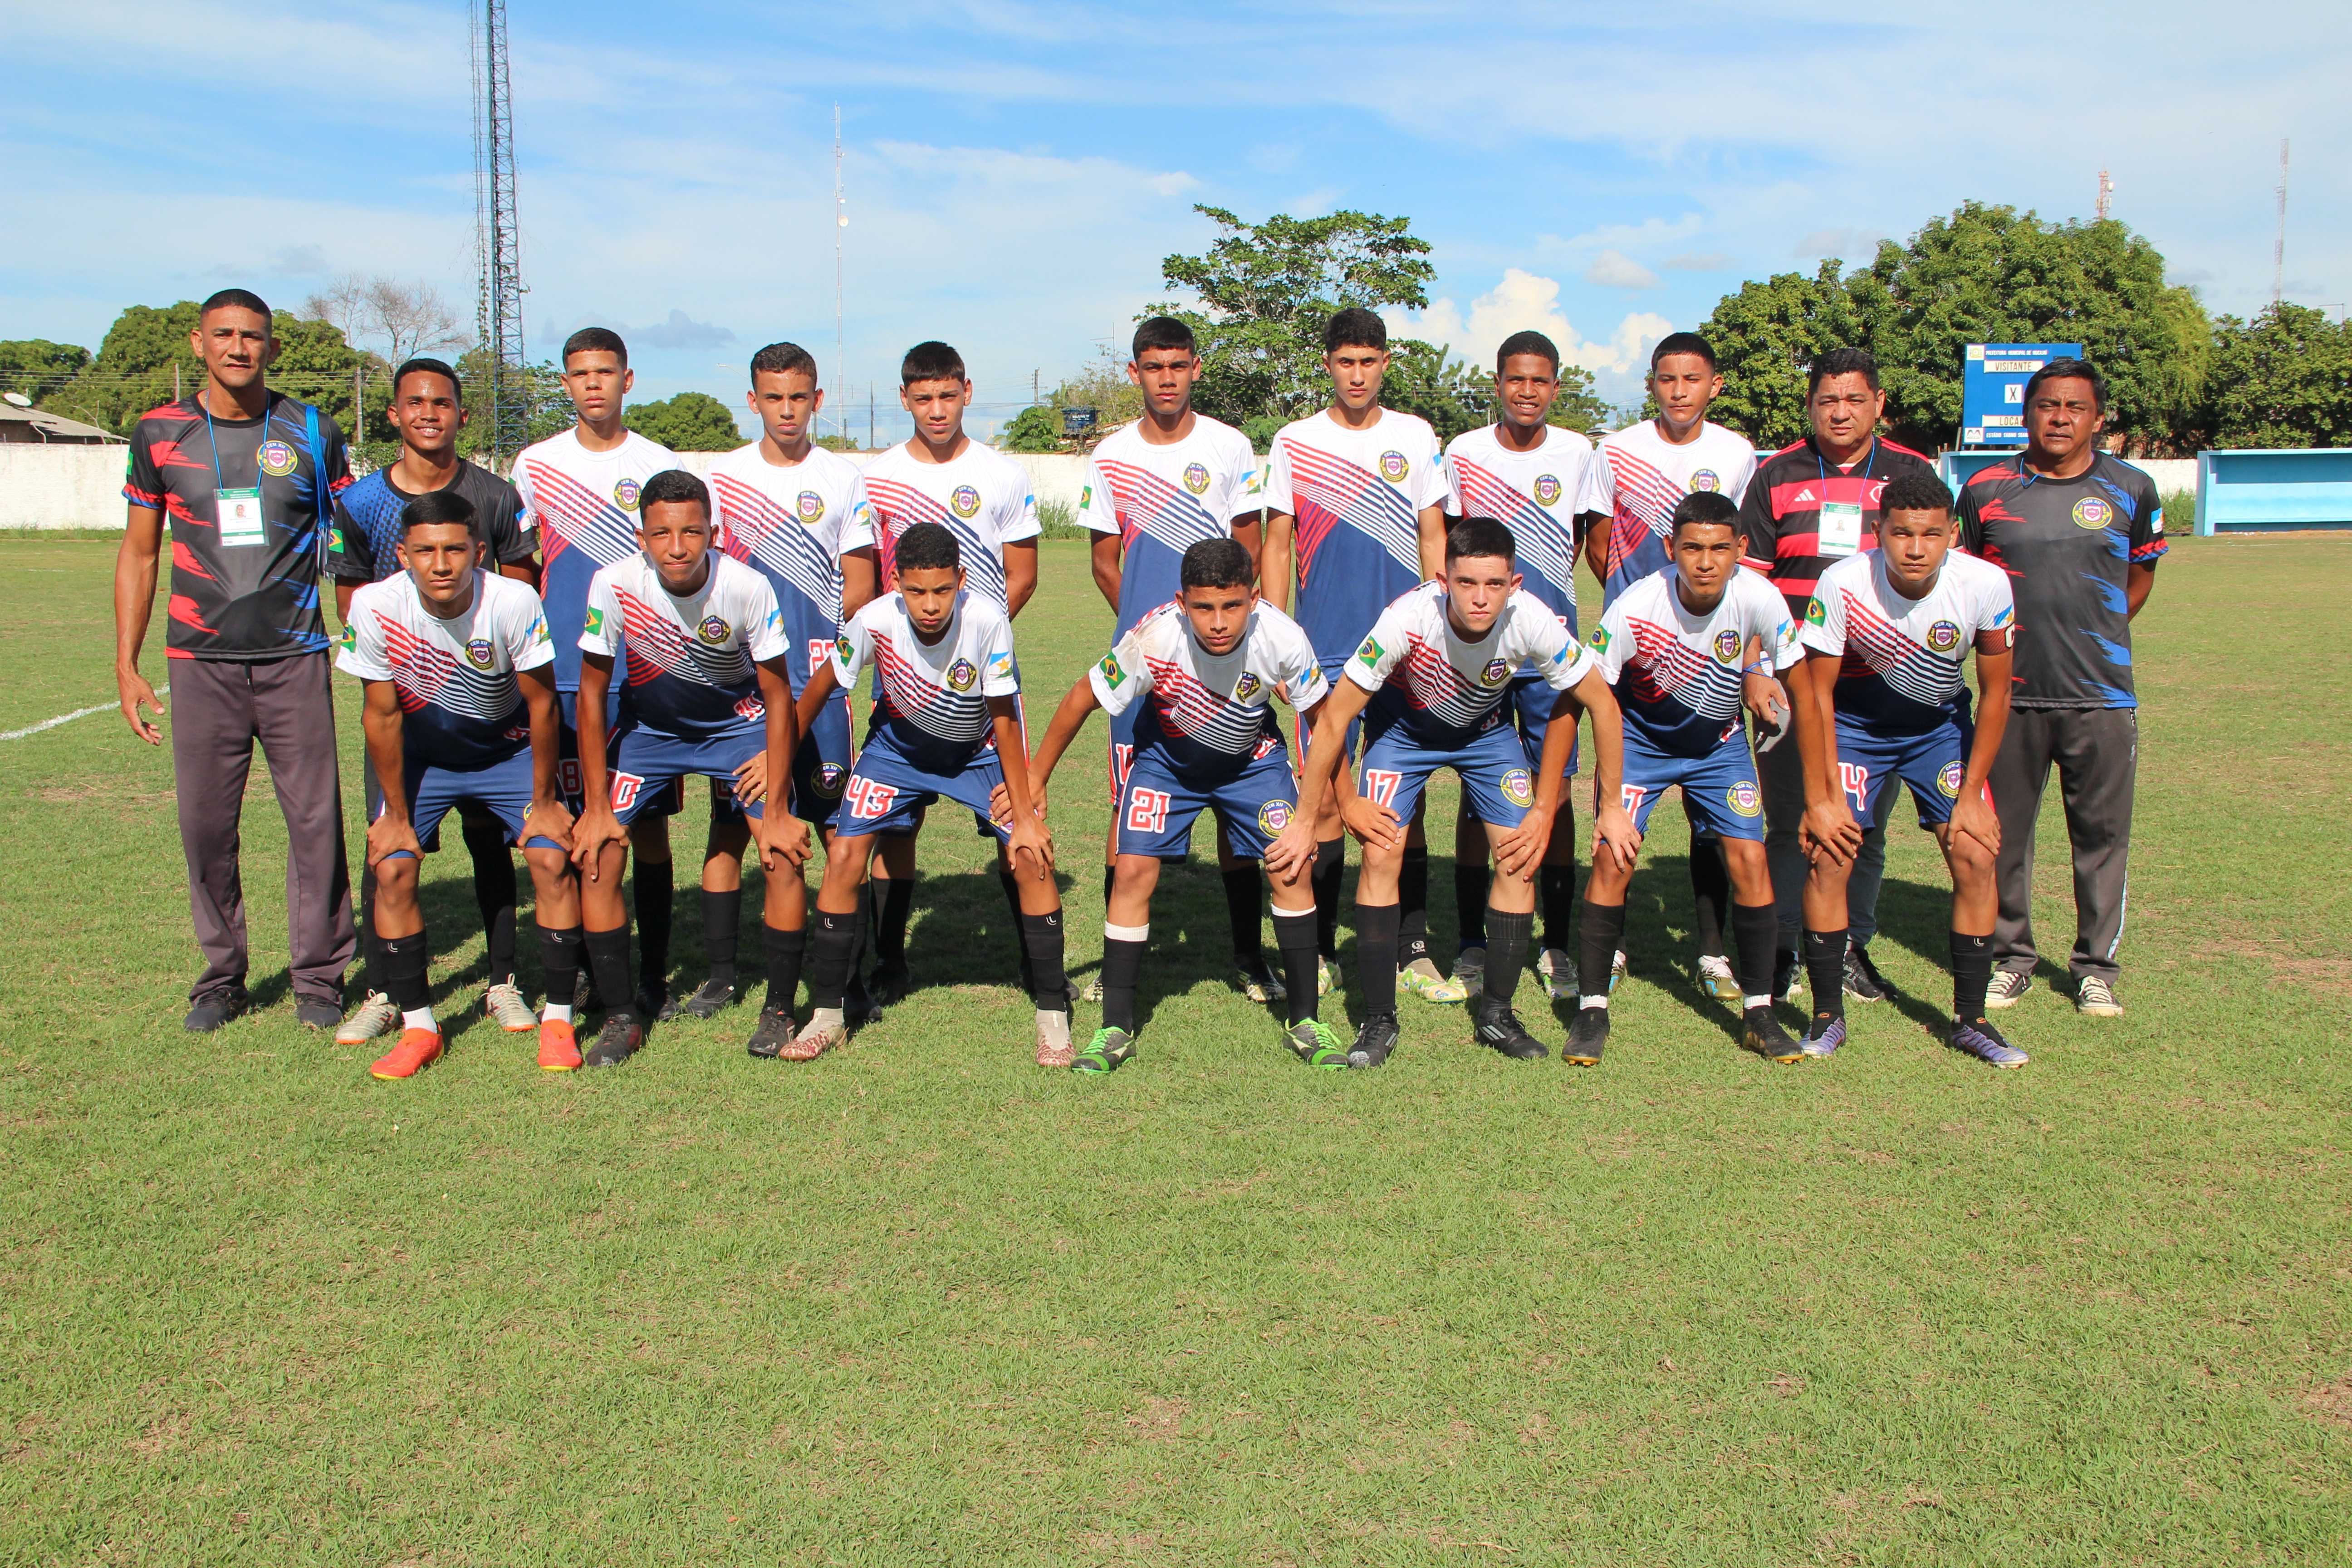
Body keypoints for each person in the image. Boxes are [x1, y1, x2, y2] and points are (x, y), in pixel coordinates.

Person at [1279, 518, 1631, 1068]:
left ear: (1514, 585)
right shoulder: (1406, 619)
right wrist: (1326, 811)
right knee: (1380, 853)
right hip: (1405, 737)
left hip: (1487, 737)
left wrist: (1593, 808)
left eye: (1494, 584)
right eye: (1466, 583)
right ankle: (1379, 1019)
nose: (1480, 598)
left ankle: (1497, 1015)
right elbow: (1334, 718)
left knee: (1518, 859)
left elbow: (1603, 705)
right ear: (1444, 581)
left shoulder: (1532, 619)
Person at [113, 287, 358, 1031]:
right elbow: (139, 552)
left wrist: (361, 635)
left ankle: (319, 980)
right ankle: (221, 979)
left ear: (272, 348)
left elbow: (346, 541)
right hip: (200, 661)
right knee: (205, 828)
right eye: (223, 334)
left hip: (294, 656)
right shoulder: (159, 433)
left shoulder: (312, 430)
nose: (238, 347)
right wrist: (126, 664)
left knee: (315, 823)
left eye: (252, 336)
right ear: (199, 342)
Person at [1027, 538, 1347, 1072]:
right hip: (1167, 766)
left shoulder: (1282, 636)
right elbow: (1083, 696)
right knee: (1132, 871)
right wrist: (1036, 777)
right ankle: (1115, 1028)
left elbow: (1328, 721)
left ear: (1254, 598)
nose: (1218, 622)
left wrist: (1344, 802)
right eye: (1204, 608)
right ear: (1182, 603)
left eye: (1232, 606)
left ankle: (1306, 1022)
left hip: (1251, 764)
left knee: (1291, 869)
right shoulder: (1154, 638)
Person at [789, 522, 1068, 1065]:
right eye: (917, 592)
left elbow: (1005, 716)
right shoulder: (874, 620)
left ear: (962, 580)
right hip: (895, 754)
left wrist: (1026, 813)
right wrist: (776, 766)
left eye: (942, 590)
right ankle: (826, 1016)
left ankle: (1053, 1019)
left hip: (976, 754)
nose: (931, 605)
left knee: (1031, 856)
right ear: (896, 584)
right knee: (843, 856)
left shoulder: (987, 620)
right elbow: (819, 688)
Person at [326, 355, 543, 1046]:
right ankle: (386, 992)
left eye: (442, 403)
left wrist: (477, 670)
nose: (428, 414)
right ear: (394, 414)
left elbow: (519, 586)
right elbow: (352, 599)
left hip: (489, 706)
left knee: (492, 846)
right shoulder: (360, 501)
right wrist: (412, 661)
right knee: (388, 847)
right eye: (415, 403)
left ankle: (503, 982)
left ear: (460, 414)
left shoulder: (496, 494)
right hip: (407, 706)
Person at [335, 491, 580, 1077]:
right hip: (425, 759)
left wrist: (545, 802)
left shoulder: (514, 600)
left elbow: (543, 705)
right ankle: (420, 1027)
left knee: (550, 858)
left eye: (454, 550)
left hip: (507, 751)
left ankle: (560, 1021)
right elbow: (382, 716)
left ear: (478, 552)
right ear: (403, 555)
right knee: (392, 866)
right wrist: (396, 817)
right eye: (425, 551)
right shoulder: (374, 605)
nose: (441, 564)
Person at [569, 471, 809, 1066]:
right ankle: (622, 1014)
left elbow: (779, 694)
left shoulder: (747, 586)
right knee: (599, 853)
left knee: (780, 851)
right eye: (661, 534)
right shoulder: (613, 583)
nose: (677, 548)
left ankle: (780, 1010)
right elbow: (592, 693)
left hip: (737, 728)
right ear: (641, 537)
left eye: (691, 533)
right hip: (651, 734)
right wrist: (596, 808)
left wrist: (779, 807)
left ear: (713, 533)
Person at [1077, 316, 1279, 1003]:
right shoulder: (1109, 455)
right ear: (1134, 372)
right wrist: (1154, 637)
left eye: (1177, 365)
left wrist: (1215, 633)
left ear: (1195, 368)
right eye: (1153, 366)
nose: (1166, 378)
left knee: (1235, 808)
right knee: (1126, 805)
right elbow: (1105, 563)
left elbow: (1248, 551)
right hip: (1147, 669)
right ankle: (1118, 965)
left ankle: (1249, 957)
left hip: (1227, 662)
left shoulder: (1229, 446)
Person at [1793, 472, 2022, 1066]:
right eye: (1901, 534)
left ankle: (1972, 1020)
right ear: (1879, 532)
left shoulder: (1985, 583)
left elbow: (1997, 693)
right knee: (1831, 855)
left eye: (1931, 535)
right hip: (1855, 733)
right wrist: (1822, 795)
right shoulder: (1843, 582)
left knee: (1975, 854)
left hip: (1937, 734)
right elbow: (1816, 694)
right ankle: (1826, 1016)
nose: (1916, 548)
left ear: (1954, 534)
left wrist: (1972, 795)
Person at [1958, 358, 2164, 1018]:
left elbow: (2139, 578)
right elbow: (1966, 582)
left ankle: (2096, 968)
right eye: (2048, 405)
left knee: (2101, 838)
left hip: (2100, 696)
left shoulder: (2132, 488)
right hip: (2009, 698)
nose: (2060, 418)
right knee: (2004, 836)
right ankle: (2012, 958)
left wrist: (2095, 631)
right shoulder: (1985, 488)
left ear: (2098, 419)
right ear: (2027, 414)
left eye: (2075, 407)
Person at [1569, 492, 1801, 1068]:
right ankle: (1591, 1010)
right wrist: (1608, 801)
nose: (1705, 561)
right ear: (1670, 548)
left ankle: (1760, 1013)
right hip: (1641, 746)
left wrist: (1761, 677)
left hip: (1718, 748)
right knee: (1612, 858)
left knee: (1750, 858)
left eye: (1720, 548)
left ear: (1740, 549)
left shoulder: (1760, 597)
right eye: (1693, 548)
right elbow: (1595, 697)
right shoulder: (1636, 606)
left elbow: (1803, 684)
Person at [1738, 347, 1941, 1006]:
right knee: (1788, 821)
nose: (1841, 412)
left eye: (1855, 399)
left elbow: (1938, 578)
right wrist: (1754, 670)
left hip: (1879, 687)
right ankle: (1786, 948)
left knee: (1864, 828)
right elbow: (1751, 585)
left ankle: (1851, 945)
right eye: (1828, 400)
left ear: (1878, 403)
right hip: (1791, 679)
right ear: (1811, 405)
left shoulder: (1912, 474)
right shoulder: (1775, 474)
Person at [1261, 308, 1450, 1001]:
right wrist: (1278, 642)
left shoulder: (1415, 436)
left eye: (1369, 361)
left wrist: (1440, 625)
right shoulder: (1295, 441)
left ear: (1385, 364)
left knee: (1405, 801)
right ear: (1328, 365)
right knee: (1325, 803)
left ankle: (1412, 948)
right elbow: (1276, 545)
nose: (1358, 374)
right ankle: (1323, 947)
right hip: (1326, 653)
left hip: (1405, 655)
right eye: (1346, 362)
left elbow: (1434, 535)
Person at [691, 341, 881, 1024]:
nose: (787, 410)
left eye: (799, 397)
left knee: (838, 832)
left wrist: (831, 658)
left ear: (817, 399)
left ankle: (848, 980)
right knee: (729, 829)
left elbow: (861, 586)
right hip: (743, 691)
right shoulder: (723, 477)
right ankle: (720, 977)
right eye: (773, 397)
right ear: (753, 401)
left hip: (821, 685)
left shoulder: (843, 478)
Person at [858, 341, 1043, 1003]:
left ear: (967, 391)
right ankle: (890, 961)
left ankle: (1033, 962)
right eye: (923, 399)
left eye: (946, 396)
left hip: (984, 684)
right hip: (901, 680)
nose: (936, 410)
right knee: (895, 825)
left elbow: (1023, 575)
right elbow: (868, 582)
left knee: (1009, 814)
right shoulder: (875, 477)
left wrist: (970, 645)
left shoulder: (1002, 473)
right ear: (905, 399)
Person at [1579, 331, 1757, 1001]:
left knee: (1712, 815)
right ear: (1651, 383)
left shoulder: (1737, 453)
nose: (1679, 391)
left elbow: (1743, 549)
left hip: (1712, 651)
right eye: (1667, 379)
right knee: (1619, 804)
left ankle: (1712, 950)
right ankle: (1612, 943)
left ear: (1715, 385)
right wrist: (1645, 607)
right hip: (1637, 652)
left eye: (1692, 379)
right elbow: (1600, 544)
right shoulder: (1617, 450)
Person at [511, 328, 683, 1016]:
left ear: (627, 380)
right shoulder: (535, 464)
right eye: (580, 373)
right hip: (564, 670)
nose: (593, 384)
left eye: (605, 372)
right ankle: (583, 967)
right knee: (577, 820)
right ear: (565, 384)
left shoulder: (659, 462)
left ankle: (654, 973)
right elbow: (521, 570)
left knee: (648, 826)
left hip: (644, 672)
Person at [1440, 329, 1599, 1004]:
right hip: (1477, 651)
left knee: (1553, 791)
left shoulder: (1579, 453)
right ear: (1498, 384)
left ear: (1555, 387)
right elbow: (1450, 543)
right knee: (1478, 794)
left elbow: (1582, 540)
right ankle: (1471, 940)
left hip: (1546, 648)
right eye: (1515, 379)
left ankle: (1555, 941)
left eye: (1539, 380)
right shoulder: (1464, 452)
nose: (1526, 391)